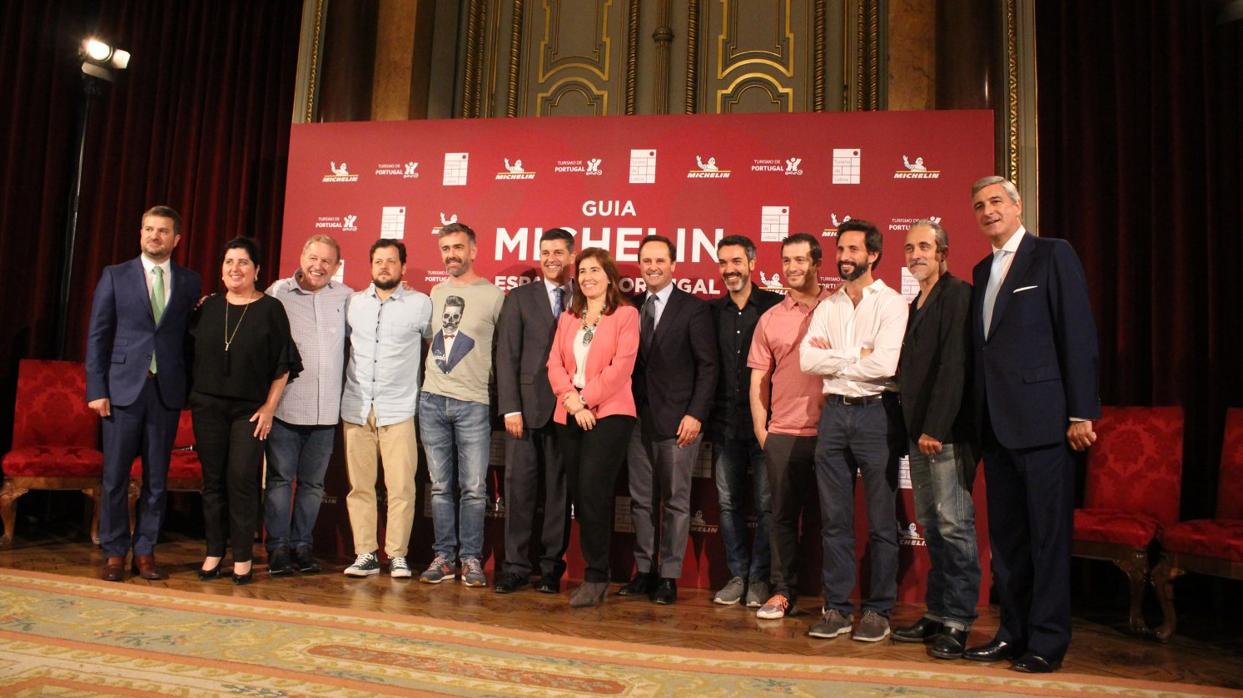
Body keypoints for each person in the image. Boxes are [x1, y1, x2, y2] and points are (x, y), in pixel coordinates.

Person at [964, 176, 1099, 673]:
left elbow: (1078, 333)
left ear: (1018, 207)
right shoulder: (981, 270)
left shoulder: (1052, 254)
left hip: (1045, 424)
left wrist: (1081, 411)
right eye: (979, 205)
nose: (988, 210)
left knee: (1047, 539)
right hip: (997, 429)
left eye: (997, 201)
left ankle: (1047, 641)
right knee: (1009, 543)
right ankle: (1011, 632)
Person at [799, 219, 908, 642]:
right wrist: (855, 355)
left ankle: (879, 610)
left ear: (873, 255)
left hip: (876, 415)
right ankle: (838, 608)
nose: (844, 257)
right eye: (840, 249)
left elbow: (885, 366)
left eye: (853, 250)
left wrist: (839, 359)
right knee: (835, 520)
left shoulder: (893, 303)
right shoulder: (828, 306)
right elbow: (808, 361)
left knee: (882, 521)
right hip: (834, 416)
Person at [86, 205, 202, 582]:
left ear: (176, 239)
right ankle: (115, 551)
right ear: (141, 234)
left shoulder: (189, 282)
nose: (155, 236)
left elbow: (188, 339)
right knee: (115, 476)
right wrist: (96, 388)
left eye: (163, 231)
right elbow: (98, 336)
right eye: (149, 229)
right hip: (121, 391)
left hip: (165, 392)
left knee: (156, 479)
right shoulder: (115, 275)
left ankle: (146, 551)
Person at [892, 220, 981, 659]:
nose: (915, 255)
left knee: (954, 527)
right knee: (932, 526)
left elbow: (955, 366)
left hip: (945, 435)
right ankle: (937, 613)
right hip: (919, 435)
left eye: (924, 246)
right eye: (909, 248)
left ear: (943, 252)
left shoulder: (958, 294)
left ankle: (959, 622)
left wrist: (936, 427)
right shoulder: (914, 303)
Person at [190, 237, 300, 585]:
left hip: (249, 412)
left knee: (241, 479)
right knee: (213, 483)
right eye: (228, 262)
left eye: (242, 262)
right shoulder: (206, 307)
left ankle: (242, 555)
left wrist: (270, 407)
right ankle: (213, 551)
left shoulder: (270, 309)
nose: (234, 268)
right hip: (207, 406)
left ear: (257, 270)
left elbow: (284, 365)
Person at [619, 235, 716, 605]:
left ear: (674, 265)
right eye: (646, 260)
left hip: (679, 421)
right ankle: (644, 571)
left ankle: (669, 577)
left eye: (660, 260)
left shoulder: (693, 309)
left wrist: (695, 414)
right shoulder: (631, 308)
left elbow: (708, 368)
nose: (652, 267)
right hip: (635, 419)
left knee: (676, 501)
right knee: (641, 501)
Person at [545, 248, 640, 607]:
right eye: (582, 271)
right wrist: (570, 399)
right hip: (569, 413)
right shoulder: (569, 317)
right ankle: (594, 573)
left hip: (610, 413)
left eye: (595, 270)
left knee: (594, 491)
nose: (587, 277)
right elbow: (554, 362)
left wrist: (586, 401)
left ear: (609, 276)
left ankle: (597, 576)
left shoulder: (626, 315)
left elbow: (621, 368)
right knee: (581, 498)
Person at [749, 233, 831, 620]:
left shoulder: (840, 308)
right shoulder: (770, 318)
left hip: (832, 432)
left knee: (835, 518)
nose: (793, 268)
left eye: (801, 260)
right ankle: (782, 592)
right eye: (787, 260)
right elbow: (758, 383)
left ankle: (837, 598)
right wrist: (764, 433)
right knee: (781, 517)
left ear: (817, 263)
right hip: (782, 434)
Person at [419, 222, 505, 587]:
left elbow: (504, 351)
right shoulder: (433, 294)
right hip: (432, 400)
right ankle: (443, 556)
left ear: (473, 250)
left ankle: (470, 559)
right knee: (439, 486)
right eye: (445, 248)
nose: (451, 254)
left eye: (458, 247)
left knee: (473, 488)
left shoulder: (495, 296)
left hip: (473, 402)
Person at [340, 239, 432, 578]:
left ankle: (397, 555)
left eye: (391, 261)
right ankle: (365, 553)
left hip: (399, 409)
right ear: (370, 266)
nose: (384, 266)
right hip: (356, 407)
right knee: (360, 486)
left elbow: (438, 347)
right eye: (378, 261)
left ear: (403, 267)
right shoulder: (352, 304)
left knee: (402, 488)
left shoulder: (421, 304)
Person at [264, 234, 352, 576]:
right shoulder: (277, 293)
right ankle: (277, 549)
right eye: (313, 258)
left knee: (314, 485)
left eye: (327, 261)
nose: (318, 266)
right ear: (302, 256)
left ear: (336, 266)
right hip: (285, 408)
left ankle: (302, 546)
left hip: (326, 412)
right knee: (280, 481)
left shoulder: (346, 298)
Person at [494, 228, 575, 594]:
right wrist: (510, 406)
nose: (551, 258)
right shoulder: (519, 297)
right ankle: (514, 566)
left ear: (571, 256)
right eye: (545, 251)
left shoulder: (585, 296)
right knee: (520, 490)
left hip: (570, 410)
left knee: (560, 494)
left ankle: (550, 569)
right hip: (525, 412)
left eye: (558, 251)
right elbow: (506, 356)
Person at [707, 235, 781, 607]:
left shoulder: (774, 307)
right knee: (728, 504)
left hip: (768, 425)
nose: (729, 269)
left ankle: (760, 579)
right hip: (724, 425)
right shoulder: (711, 313)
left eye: (735, 261)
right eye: (722, 262)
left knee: (768, 504)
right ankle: (738, 575)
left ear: (752, 263)